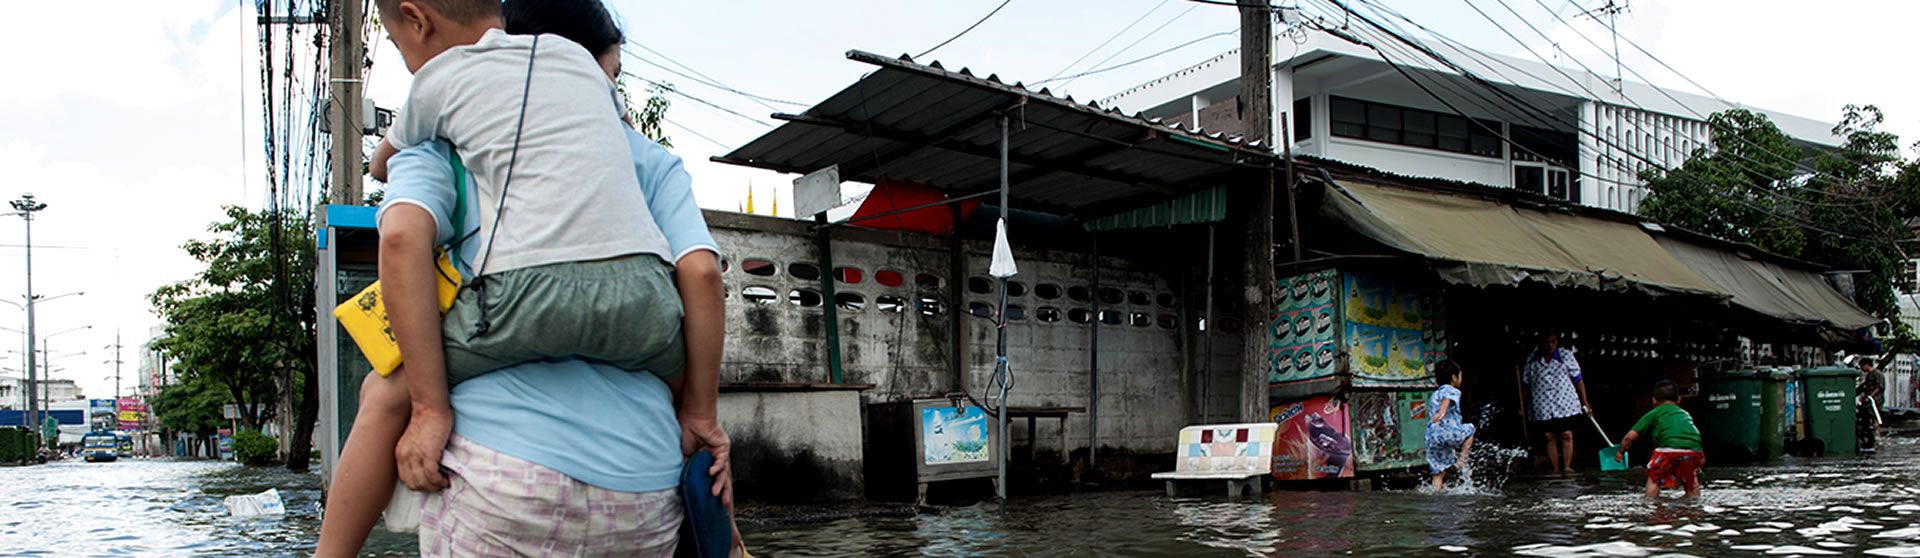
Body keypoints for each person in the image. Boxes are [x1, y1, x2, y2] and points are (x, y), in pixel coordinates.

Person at [314, 0, 732, 555]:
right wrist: (701, 413)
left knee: (388, 387)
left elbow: (399, 234)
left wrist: (431, 407)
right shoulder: (647, 157)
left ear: (417, 22)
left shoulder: (436, 133)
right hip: (645, 486)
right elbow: (702, 274)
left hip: (503, 444)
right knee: (675, 383)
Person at [1615, 380, 1704, 499]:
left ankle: (1650, 503)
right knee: (1690, 479)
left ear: (1654, 400)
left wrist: (1620, 452)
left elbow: (1629, 437)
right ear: (1679, 399)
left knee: (1654, 477)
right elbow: (1693, 435)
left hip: (1668, 449)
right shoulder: (1685, 414)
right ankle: (1694, 503)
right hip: (1694, 451)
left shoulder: (1654, 413)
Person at [1520, 333, 1591, 474]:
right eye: (1546, 343)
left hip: (1564, 402)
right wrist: (1523, 406)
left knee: (1566, 434)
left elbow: (1578, 379)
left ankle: (1567, 466)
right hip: (1542, 403)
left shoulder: (1566, 356)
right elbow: (1525, 385)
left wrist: (1585, 401)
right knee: (1548, 436)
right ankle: (1555, 468)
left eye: (1552, 342)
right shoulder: (1532, 360)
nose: (1549, 346)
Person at [1424, 360, 1477, 490]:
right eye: (1460, 376)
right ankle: (1461, 461)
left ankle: (1435, 493)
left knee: (1438, 472)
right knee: (1470, 429)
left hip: (1433, 437)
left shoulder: (1434, 394)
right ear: (1454, 377)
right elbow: (1447, 398)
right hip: (1448, 433)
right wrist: (1442, 412)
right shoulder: (1451, 390)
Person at [1858, 357, 1884, 454]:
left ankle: (1878, 436)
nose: (1861, 368)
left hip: (1875, 400)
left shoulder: (1877, 374)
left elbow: (1880, 387)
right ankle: (1873, 435)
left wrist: (1870, 396)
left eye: (1861, 366)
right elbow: (1864, 387)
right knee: (1868, 417)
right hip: (1869, 400)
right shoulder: (1869, 375)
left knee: (1875, 417)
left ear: (1866, 365)